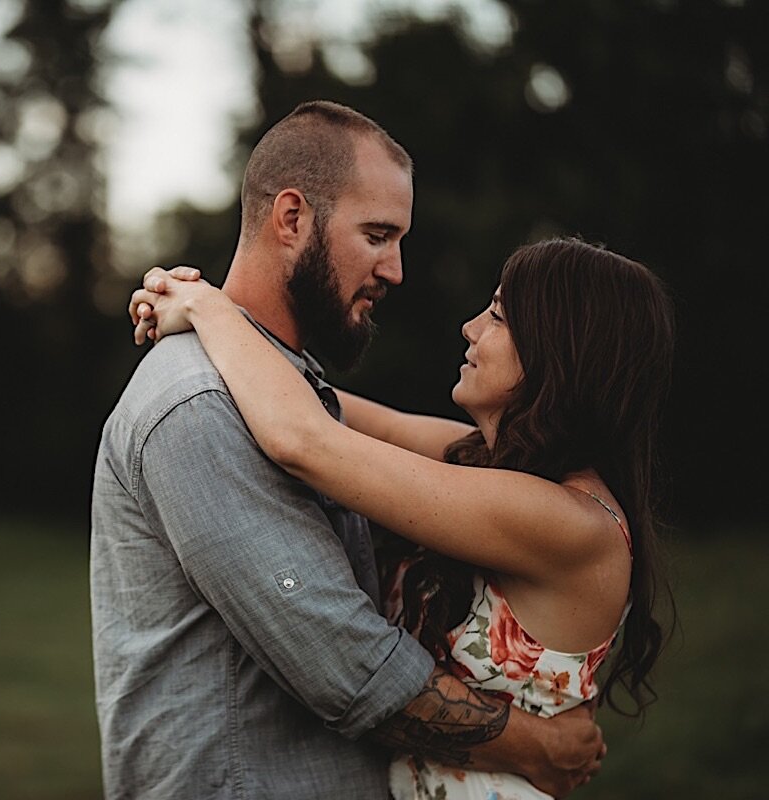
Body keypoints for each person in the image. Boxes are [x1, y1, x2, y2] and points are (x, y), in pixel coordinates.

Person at [90, 99, 604, 800]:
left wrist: (207, 308)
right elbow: (347, 664)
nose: (395, 270)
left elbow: (326, 425)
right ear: (293, 218)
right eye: (377, 234)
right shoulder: (203, 404)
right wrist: (534, 746)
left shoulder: (282, 388)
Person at [127, 235, 676, 799]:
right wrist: (213, 327)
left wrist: (205, 306)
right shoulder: (488, 466)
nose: (470, 327)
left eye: (498, 316)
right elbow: (323, 406)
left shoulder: (567, 521)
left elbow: (305, 440)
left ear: (560, 351)